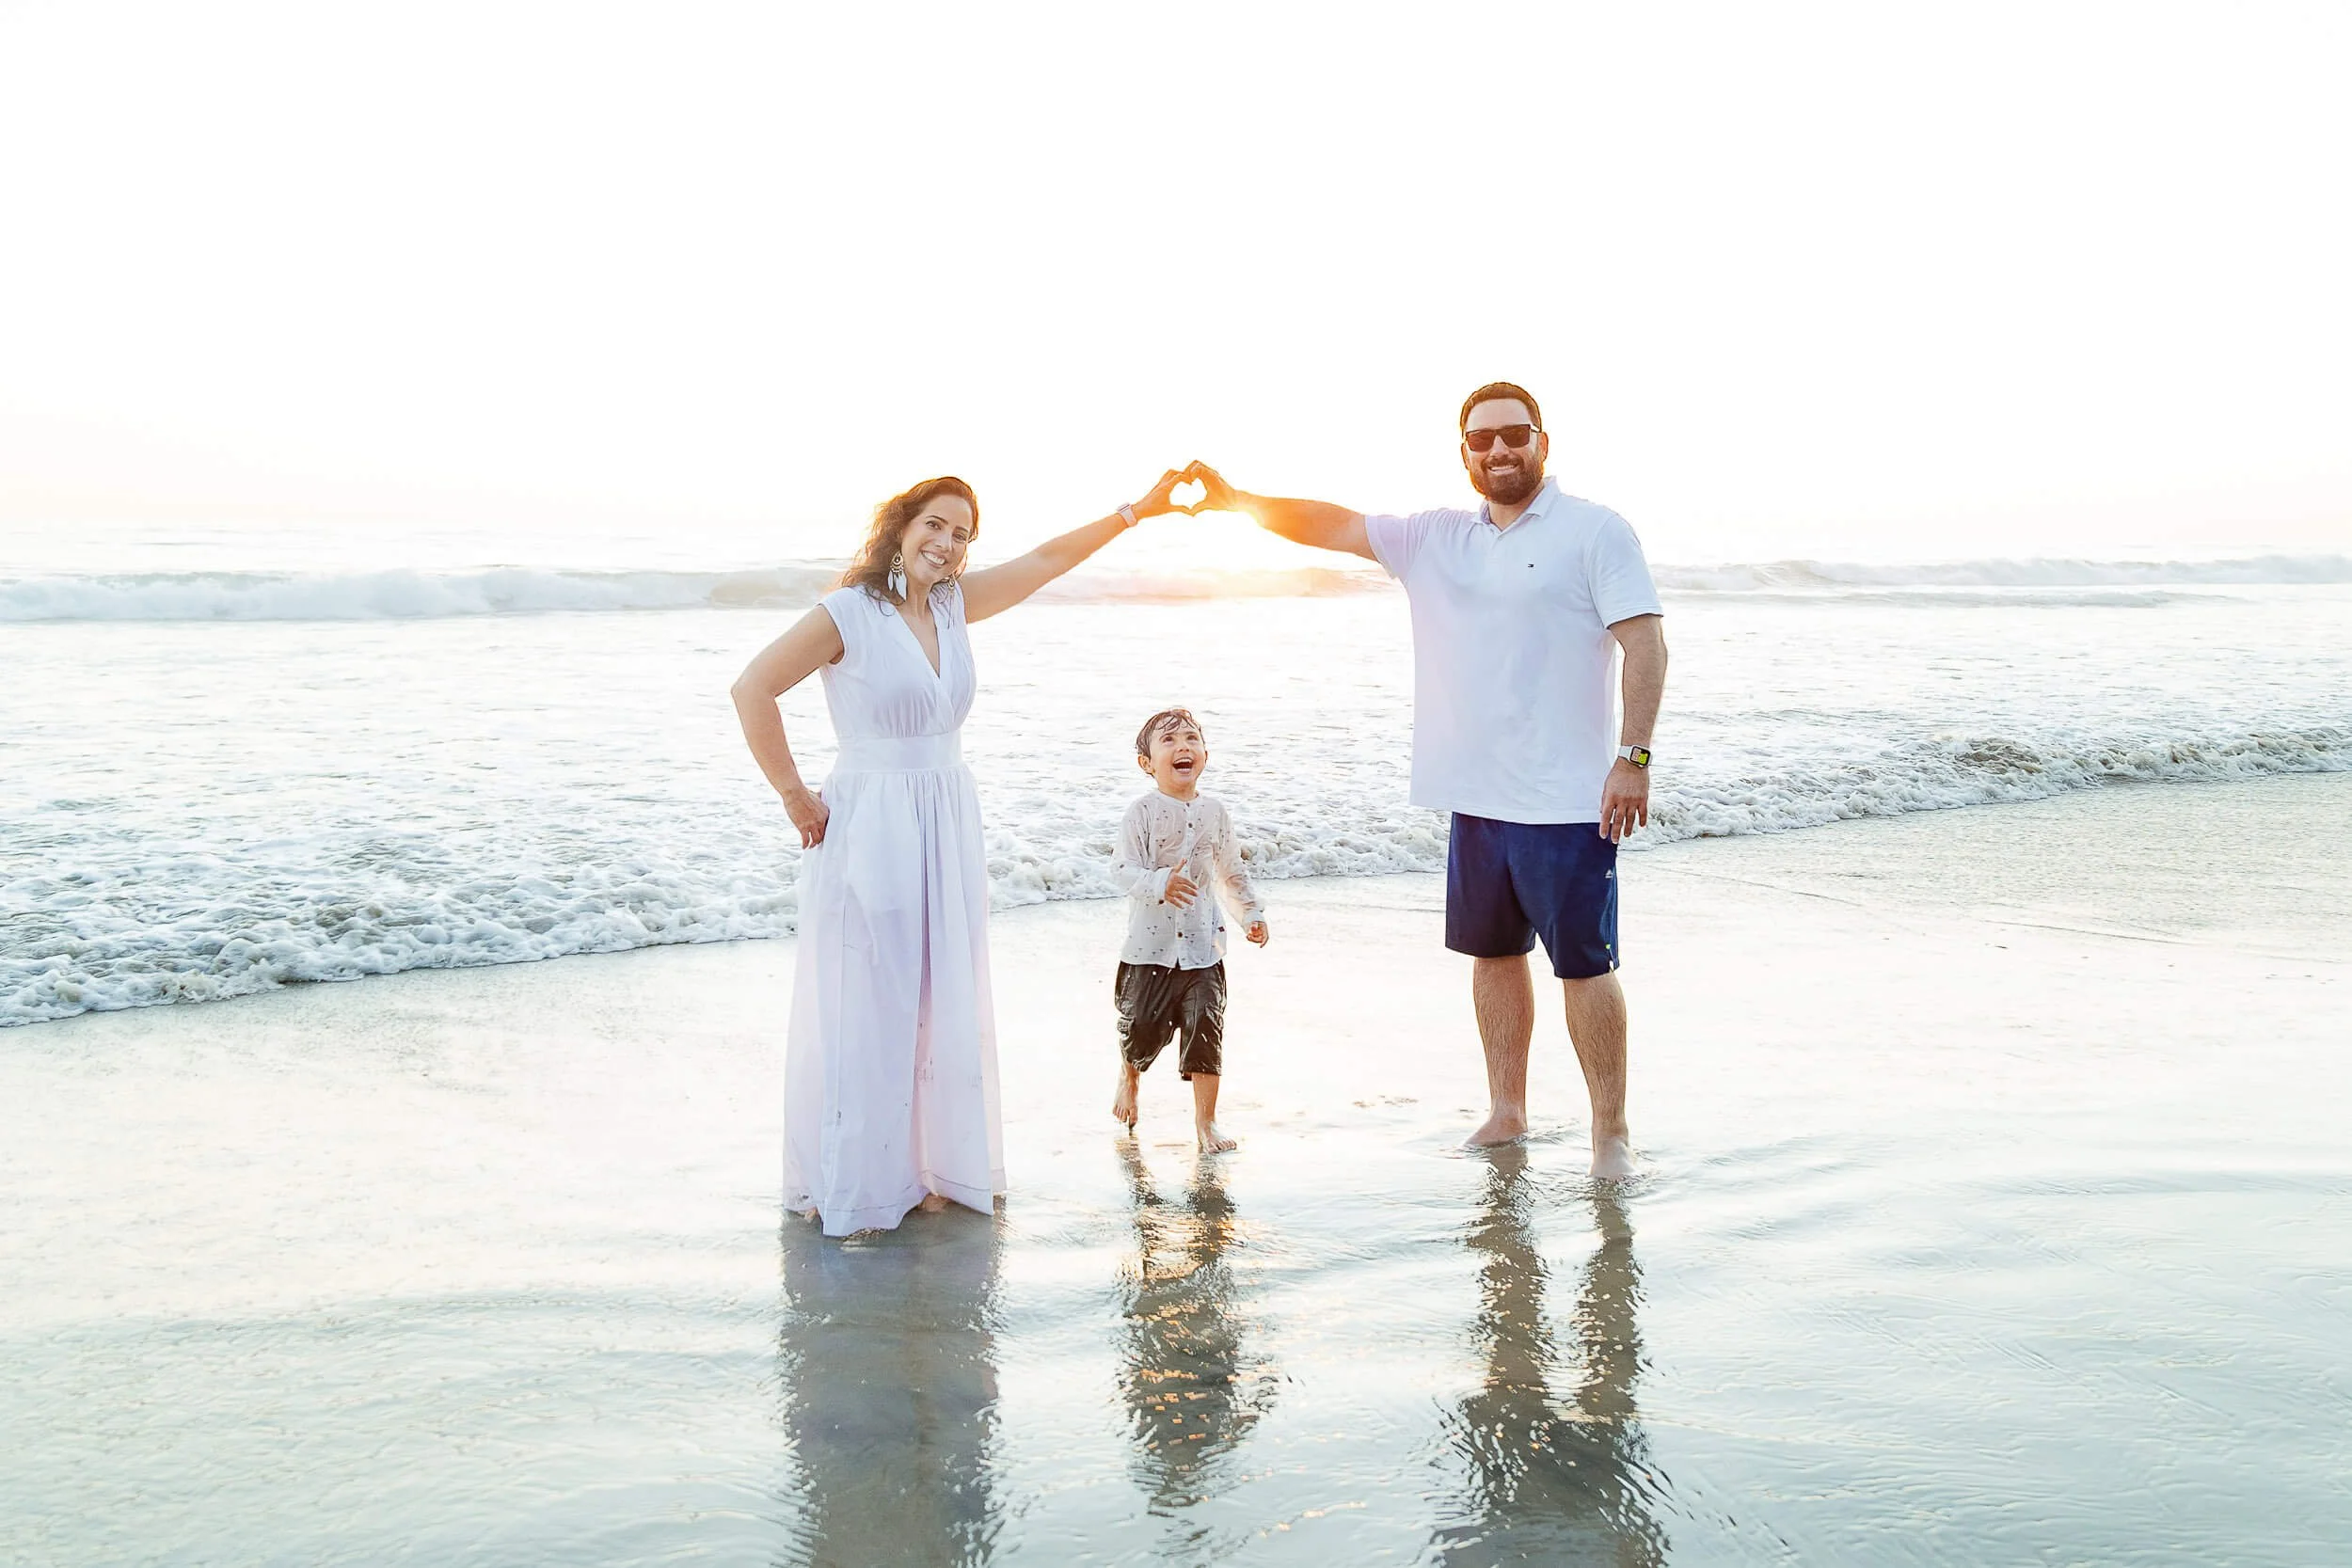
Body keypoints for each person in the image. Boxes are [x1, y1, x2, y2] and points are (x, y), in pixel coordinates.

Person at [1184, 382, 1668, 1178]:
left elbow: (1645, 645)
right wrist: (1238, 500)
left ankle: (1609, 1132)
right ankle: (1507, 1111)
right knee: (1493, 957)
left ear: (1543, 440)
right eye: (1483, 440)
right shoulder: (1436, 538)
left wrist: (1634, 757)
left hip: (1567, 801)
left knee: (1584, 964)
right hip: (1473, 798)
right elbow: (1333, 524)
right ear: (1465, 453)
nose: (1500, 450)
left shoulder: (1597, 531)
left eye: (1515, 434)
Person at [731, 470, 1196, 1235]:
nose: (947, 545)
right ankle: (862, 1181)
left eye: (962, 534)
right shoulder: (848, 612)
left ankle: (928, 1170)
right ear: (901, 524)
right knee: (870, 1001)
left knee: (937, 994)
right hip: (873, 821)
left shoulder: (952, 606)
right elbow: (752, 688)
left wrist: (1135, 511)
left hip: (946, 815)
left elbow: (1046, 560)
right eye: (936, 526)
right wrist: (793, 794)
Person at [1108, 707, 1268, 1153]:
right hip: (1148, 949)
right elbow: (1122, 870)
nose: (1183, 747)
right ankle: (1130, 1079)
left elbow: (1231, 872)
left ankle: (1206, 1122)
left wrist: (1251, 914)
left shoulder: (1216, 812)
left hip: (1204, 947)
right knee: (1139, 1028)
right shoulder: (1140, 813)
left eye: (1191, 739)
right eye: (1169, 740)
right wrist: (1160, 881)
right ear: (1147, 763)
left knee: (1206, 1029)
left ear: (1205, 754)